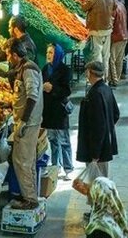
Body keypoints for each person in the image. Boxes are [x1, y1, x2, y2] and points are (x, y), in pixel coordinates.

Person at [7, 40, 44, 210]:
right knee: (25, 161)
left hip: (28, 124)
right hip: (27, 122)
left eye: (8, 55)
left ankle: (30, 199)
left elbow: (32, 96)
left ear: (15, 55)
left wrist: (23, 121)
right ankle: (30, 195)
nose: (8, 58)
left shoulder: (29, 70)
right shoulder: (22, 68)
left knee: (22, 161)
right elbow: (22, 95)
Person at [76, 61, 120, 178]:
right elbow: (116, 114)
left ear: (90, 73)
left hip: (96, 150)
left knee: (96, 185)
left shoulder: (95, 94)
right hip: (104, 146)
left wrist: (95, 153)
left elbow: (97, 126)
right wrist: (108, 129)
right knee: (102, 180)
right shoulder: (106, 89)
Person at [41, 43, 73, 180]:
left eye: (51, 53)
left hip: (59, 111)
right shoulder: (45, 69)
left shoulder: (65, 70)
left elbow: (67, 91)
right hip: (48, 111)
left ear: (58, 54)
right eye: (47, 52)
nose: (48, 55)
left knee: (64, 140)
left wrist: (52, 89)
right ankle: (55, 166)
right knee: (52, 141)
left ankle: (68, 168)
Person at [82, 0, 117, 80]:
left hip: (96, 30)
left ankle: (99, 78)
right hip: (108, 29)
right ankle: (105, 77)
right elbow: (115, 7)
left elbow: (84, 8)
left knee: (97, 55)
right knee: (106, 55)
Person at [107, 0, 128, 88]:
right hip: (124, 35)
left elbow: (110, 23)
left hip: (116, 36)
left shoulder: (113, 8)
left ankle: (114, 80)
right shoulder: (121, 5)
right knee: (119, 59)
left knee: (111, 59)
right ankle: (117, 78)